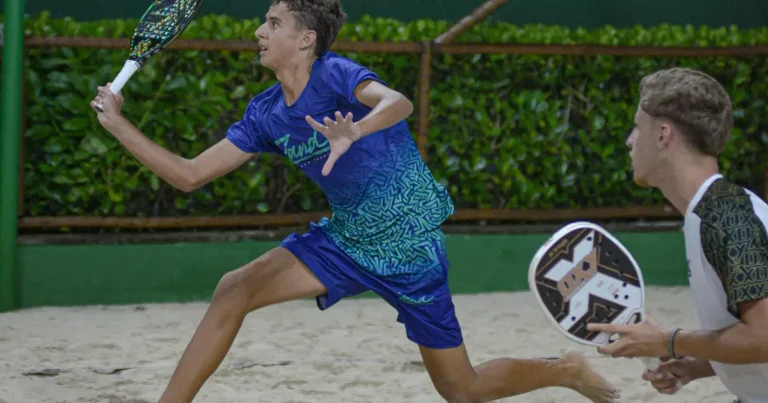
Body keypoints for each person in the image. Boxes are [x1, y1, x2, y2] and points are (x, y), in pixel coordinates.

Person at [90, 1, 620, 402]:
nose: (258, 31)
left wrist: (356, 131)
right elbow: (189, 175)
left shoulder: (336, 74)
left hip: (409, 246)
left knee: (462, 390)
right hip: (346, 240)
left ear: (305, 39)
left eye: (273, 23)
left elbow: (398, 101)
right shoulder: (267, 112)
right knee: (234, 290)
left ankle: (566, 370)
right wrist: (118, 124)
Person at [586, 68, 768, 403]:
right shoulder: (714, 209)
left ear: (663, 134)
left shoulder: (726, 215)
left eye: (638, 126)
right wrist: (696, 365)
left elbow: (765, 337)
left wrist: (669, 340)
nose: (629, 139)